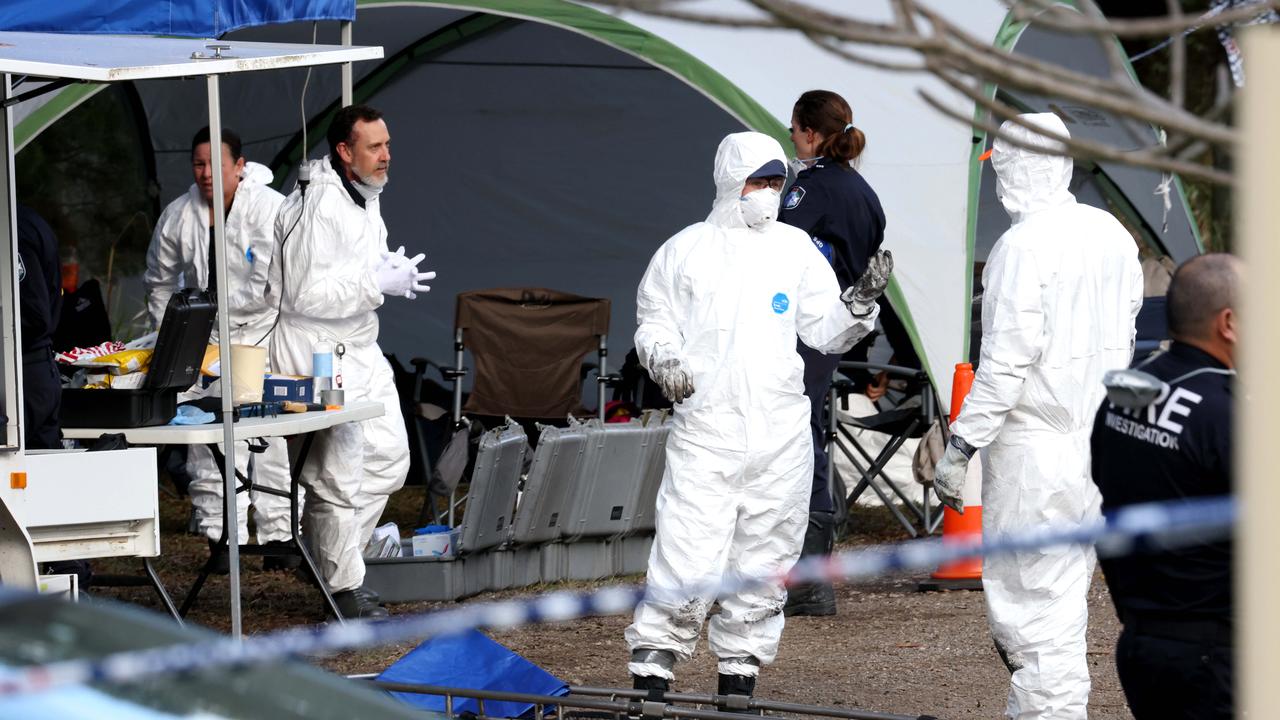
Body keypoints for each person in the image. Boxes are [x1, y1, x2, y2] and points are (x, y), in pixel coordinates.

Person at [625, 131, 891, 699]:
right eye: (759, 182)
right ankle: (651, 681)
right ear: (730, 182)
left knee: (766, 558)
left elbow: (822, 329)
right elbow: (654, 322)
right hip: (709, 430)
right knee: (687, 552)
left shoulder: (793, 250)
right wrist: (664, 359)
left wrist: (859, 306)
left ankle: (737, 684)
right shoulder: (684, 251)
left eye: (777, 183)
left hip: (780, 433)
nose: (769, 194)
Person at [932, 113, 1144, 720]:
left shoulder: (1020, 248)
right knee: (1063, 600)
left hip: (1036, 452)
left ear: (1020, 167)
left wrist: (961, 448)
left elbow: (1004, 365)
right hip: (1094, 445)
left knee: (1032, 611)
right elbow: (1127, 326)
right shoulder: (1108, 232)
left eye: (1003, 167)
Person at [266, 104, 433, 619]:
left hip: (358, 344)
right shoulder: (320, 205)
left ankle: (329, 561)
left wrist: (385, 269)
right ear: (344, 151)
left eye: (387, 144)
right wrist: (373, 284)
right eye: (374, 147)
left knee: (389, 459)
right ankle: (343, 587)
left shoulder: (362, 194)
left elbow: (350, 268)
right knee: (336, 474)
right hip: (316, 351)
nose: (386, 156)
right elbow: (303, 295)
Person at [143, 127, 298, 572]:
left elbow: (292, 277)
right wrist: (170, 336)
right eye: (198, 164)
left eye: (216, 164)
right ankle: (221, 539)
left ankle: (279, 539)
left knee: (267, 436)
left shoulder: (271, 209)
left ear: (239, 166)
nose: (207, 173)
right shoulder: (179, 214)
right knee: (207, 439)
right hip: (204, 339)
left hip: (261, 332)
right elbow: (158, 280)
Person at [1090, 254, 1237, 720]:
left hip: (1144, 645)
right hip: (1217, 659)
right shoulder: (1226, 411)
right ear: (1229, 323)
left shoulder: (1128, 393)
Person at [779, 89, 885, 617]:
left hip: (799, 333)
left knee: (787, 445)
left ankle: (797, 579)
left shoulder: (810, 191)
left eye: (795, 129)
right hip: (835, 338)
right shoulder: (866, 195)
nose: (791, 137)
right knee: (813, 441)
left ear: (813, 135)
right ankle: (811, 579)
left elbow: (774, 254)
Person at [17, 206, 64, 451]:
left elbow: (33, 316)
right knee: (42, 480)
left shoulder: (14, 230)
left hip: (23, 374)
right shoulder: (26, 220)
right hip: (35, 371)